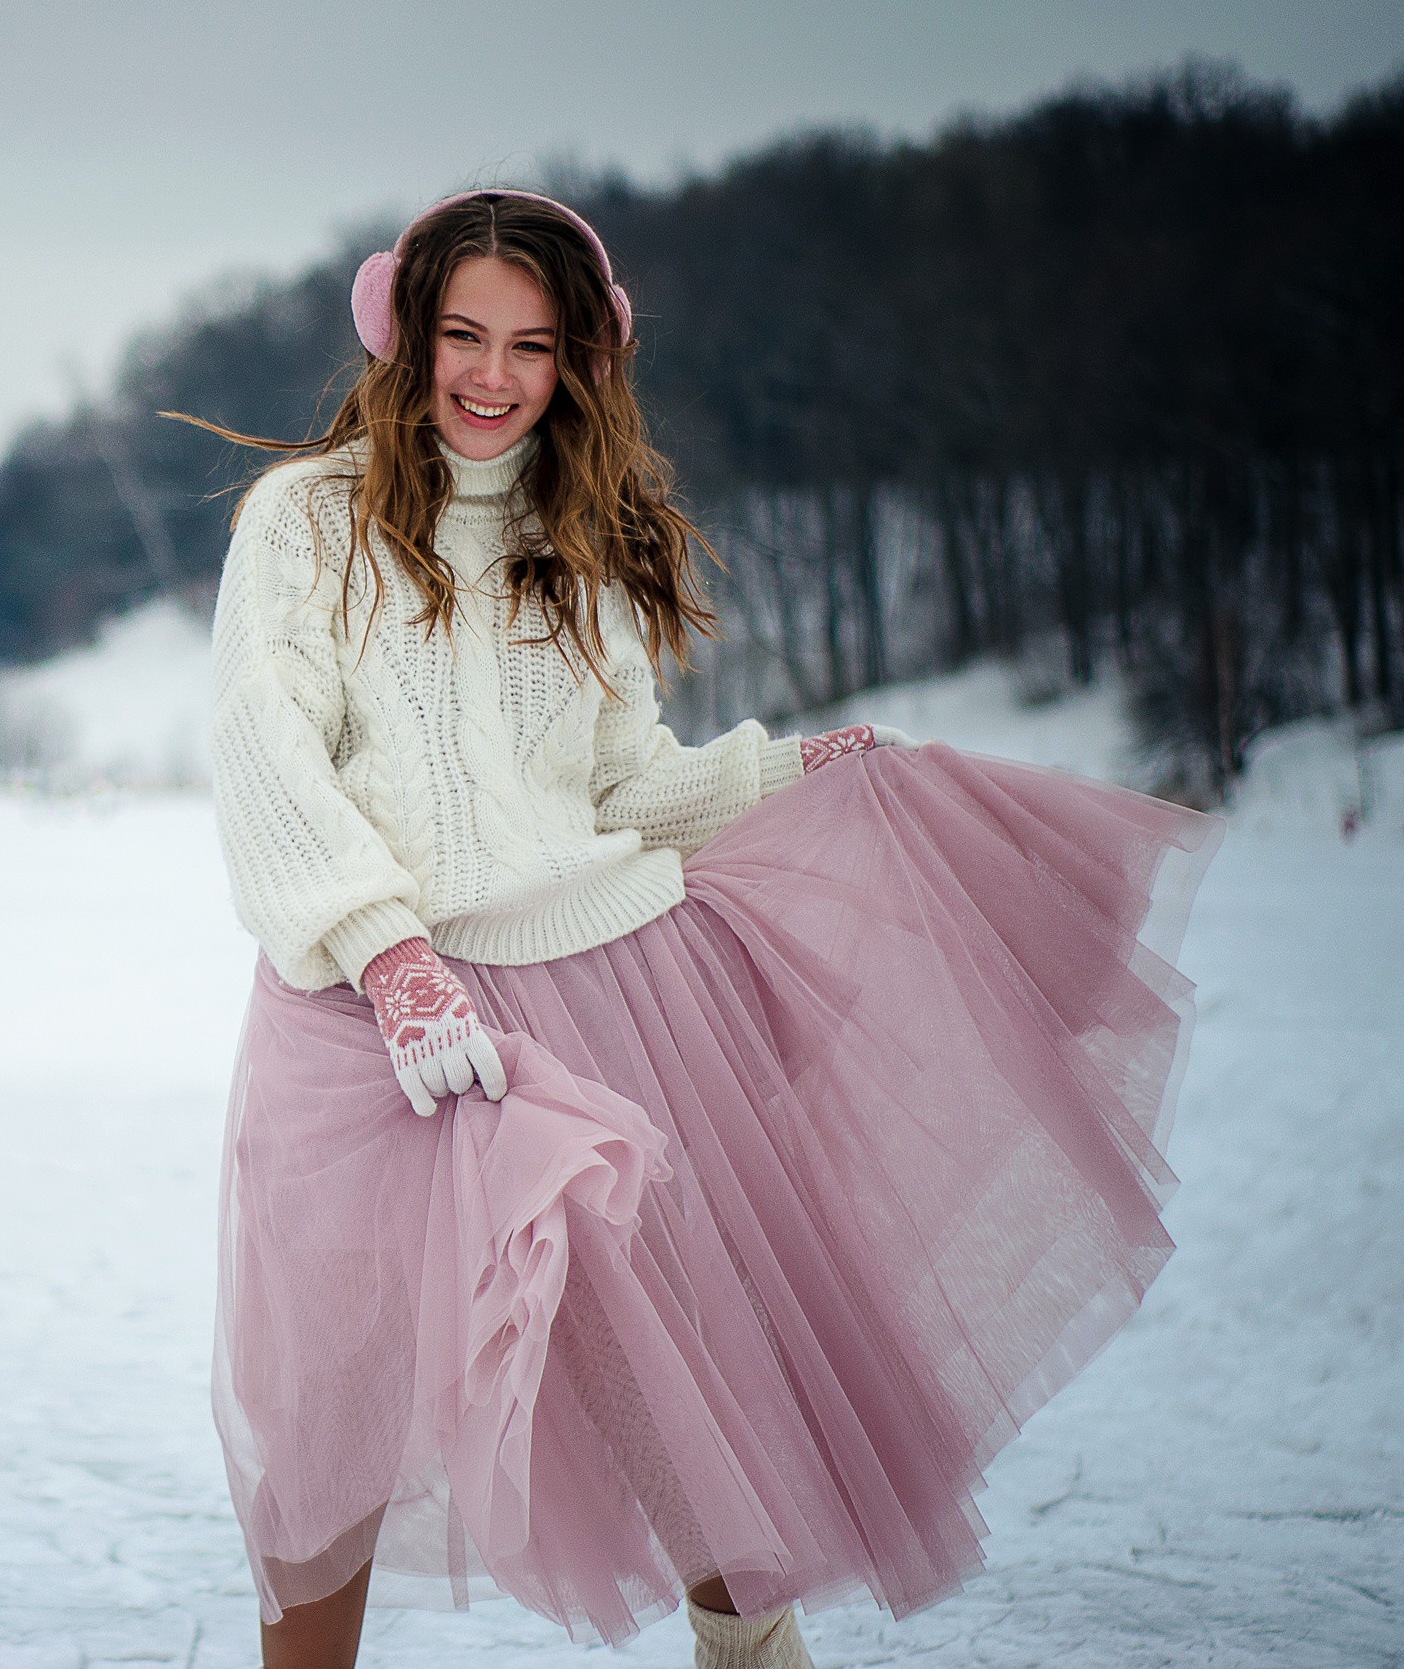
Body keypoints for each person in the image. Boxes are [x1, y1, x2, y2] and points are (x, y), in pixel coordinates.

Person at [195, 192, 1221, 1668]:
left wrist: (781, 775)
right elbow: (266, 754)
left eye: (530, 347)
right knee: (328, 1394)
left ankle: (752, 1654)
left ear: (579, 364)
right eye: (461, 335)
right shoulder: (306, 523)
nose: (490, 376)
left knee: (675, 1374)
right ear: (403, 337)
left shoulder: (583, 539)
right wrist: (392, 952)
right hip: (365, 1016)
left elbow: (625, 786)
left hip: (599, 991)